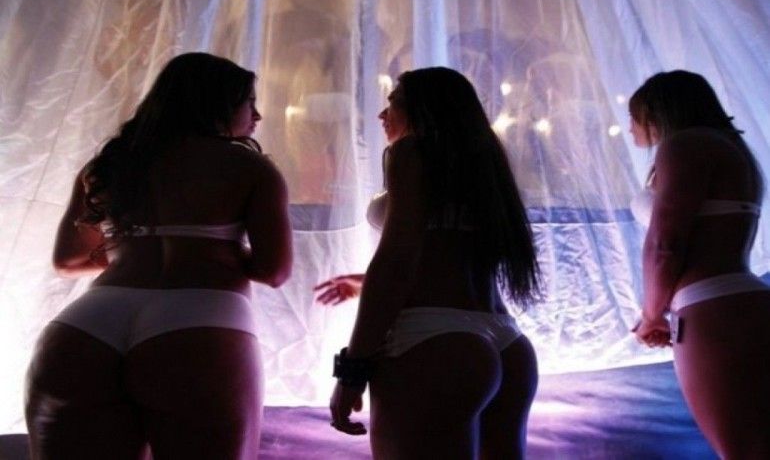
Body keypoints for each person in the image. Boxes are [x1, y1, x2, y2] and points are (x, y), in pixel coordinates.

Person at [25, 52, 292, 459]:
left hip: (88, 324)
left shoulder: (108, 166)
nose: (257, 115)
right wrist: (215, 250)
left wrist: (131, 248)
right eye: (249, 102)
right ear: (216, 105)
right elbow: (274, 271)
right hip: (197, 322)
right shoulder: (249, 167)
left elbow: (68, 261)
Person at [324, 67, 540, 459]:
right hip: (507, 342)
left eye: (393, 103)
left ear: (424, 110)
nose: (382, 114)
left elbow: (396, 262)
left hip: (433, 340)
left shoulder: (411, 153)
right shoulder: (484, 163)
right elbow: (448, 252)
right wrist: (364, 282)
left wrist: (353, 368)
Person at [629, 70, 770, 459]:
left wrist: (651, 315)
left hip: (709, 310)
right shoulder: (732, 150)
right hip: (745, 299)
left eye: (634, 117)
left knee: (739, 449)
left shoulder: (684, 145)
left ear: (657, 113)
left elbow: (665, 243)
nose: (630, 128)